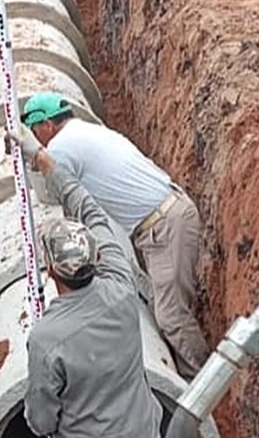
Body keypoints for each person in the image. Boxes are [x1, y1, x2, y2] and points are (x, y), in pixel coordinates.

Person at [17, 132, 167, 438]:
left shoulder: (47, 338)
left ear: (51, 271)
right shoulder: (121, 285)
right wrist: (44, 160)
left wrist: (38, 159)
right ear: (96, 257)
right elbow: (92, 210)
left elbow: (41, 421)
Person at [20, 92, 209, 378]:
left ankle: (204, 386)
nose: (38, 139)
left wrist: (37, 157)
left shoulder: (61, 146)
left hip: (164, 226)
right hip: (165, 219)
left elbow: (61, 193)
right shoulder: (86, 130)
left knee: (172, 317)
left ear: (47, 125)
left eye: (35, 132)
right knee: (165, 307)